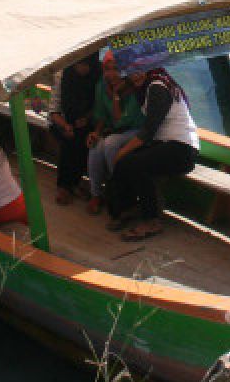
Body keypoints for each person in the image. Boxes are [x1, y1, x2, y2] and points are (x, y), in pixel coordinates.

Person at [106, 67, 199, 241]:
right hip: (165, 145)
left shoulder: (157, 86)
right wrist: (118, 93)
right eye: (131, 70)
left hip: (182, 149)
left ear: (150, 68)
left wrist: (122, 152)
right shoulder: (145, 89)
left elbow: (148, 131)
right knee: (126, 162)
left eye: (140, 69)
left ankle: (151, 220)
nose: (136, 74)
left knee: (132, 163)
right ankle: (127, 207)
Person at [83, 51, 146, 214]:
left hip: (135, 129)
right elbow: (101, 114)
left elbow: (121, 121)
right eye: (107, 69)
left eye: (116, 69)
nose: (111, 74)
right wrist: (96, 132)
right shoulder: (102, 86)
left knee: (110, 144)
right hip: (114, 130)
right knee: (95, 146)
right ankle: (96, 194)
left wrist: (117, 97)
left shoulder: (133, 87)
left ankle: (121, 193)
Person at [49, 54, 102, 205]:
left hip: (86, 120)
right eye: (80, 64)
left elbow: (98, 104)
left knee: (84, 136)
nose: (84, 69)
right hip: (61, 119)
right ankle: (64, 185)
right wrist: (65, 125)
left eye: (88, 65)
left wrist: (87, 118)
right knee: (69, 138)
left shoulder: (97, 74)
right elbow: (53, 111)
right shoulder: (62, 75)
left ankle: (74, 182)